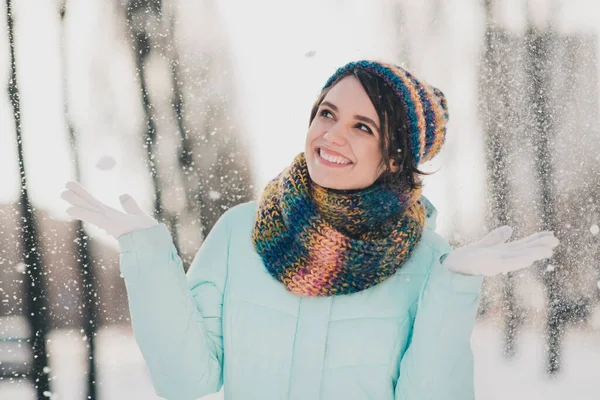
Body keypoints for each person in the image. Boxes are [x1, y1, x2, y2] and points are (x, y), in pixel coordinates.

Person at [61, 60, 559, 400]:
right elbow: (186, 379)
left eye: (363, 126)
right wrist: (146, 256)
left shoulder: (429, 262)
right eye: (327, 113)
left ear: (394, 156)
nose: (332, 134)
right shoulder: (240, 233)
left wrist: (456, 284)